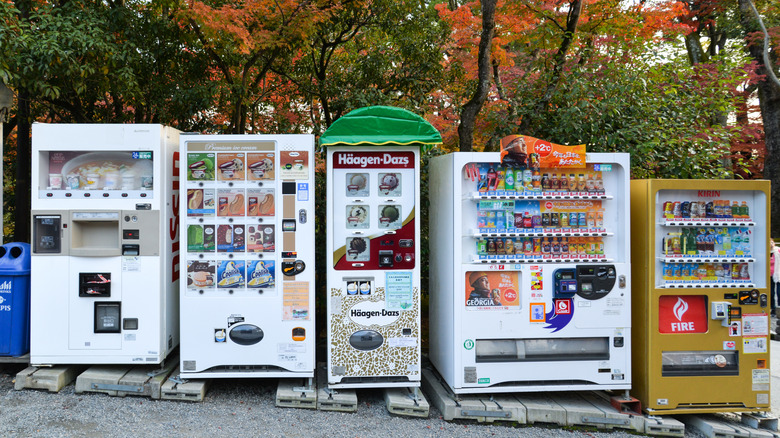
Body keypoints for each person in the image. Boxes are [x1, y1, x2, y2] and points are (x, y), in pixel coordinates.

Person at [771, 239, 780, 316]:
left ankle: (779, 308)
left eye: (772, 242)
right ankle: (773, 309)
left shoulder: (778, 251)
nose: (771, 244)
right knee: (771, 293)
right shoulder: (765, 252)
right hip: (769, 276)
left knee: (779, 292)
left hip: (778, 274)